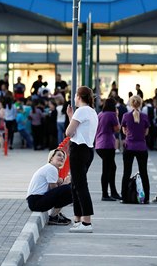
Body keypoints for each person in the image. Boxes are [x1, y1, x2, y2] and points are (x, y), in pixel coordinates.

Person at [65, 86, 98, 233]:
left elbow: (69, 132)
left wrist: (71, 117)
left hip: (78, 149)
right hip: (87, 150)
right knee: (76, 185)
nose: (73, 98)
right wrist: (72, 116)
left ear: (79, 96)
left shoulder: (81, 111)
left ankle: (86, 222)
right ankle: (78, 219)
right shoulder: (92, 112)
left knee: (80, 185)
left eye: (75, 96)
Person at [26, 149, 73, 225]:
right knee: (68, 189)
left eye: (64, 157)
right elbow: (54, 189)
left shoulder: (51, 168)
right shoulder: (51, 168)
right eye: (59, 155)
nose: (62, 158)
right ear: (51, 158)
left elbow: (54, 191)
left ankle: (56, 214)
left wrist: (61, 182)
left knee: (70, 188)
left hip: (35, 201)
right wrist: (65, 183)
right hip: (36, 201)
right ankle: (54, 216)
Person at [121, 95, 150, 204]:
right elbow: (146, 132)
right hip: (141, 147)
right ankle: (146, 197)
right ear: (140, 104)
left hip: (129, 146)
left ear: (131, 104)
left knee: (126, 172)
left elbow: (124, 131)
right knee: (144, 173)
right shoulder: (145, 116)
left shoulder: (126, 116)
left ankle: (124, 197)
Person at [95, 98, 122, 201]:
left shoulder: (100, 114)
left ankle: (113, 192)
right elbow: (117, 129)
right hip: (107, 144)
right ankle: (105, 194)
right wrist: (117, 116)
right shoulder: (112, 114)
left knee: (111, 167)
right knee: (107, 169)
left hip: (99, 144)